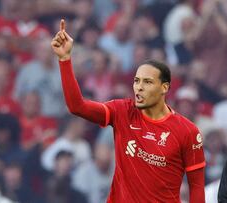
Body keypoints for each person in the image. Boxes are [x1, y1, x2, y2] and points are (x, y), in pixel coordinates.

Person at [51, 19, 205, 203]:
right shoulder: (122, 111)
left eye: (147, 82)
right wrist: (64, 59)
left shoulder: (187, 131)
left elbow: (196, 188)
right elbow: (77, 106)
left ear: (164, 88)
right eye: (136, 81)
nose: (139, 87)